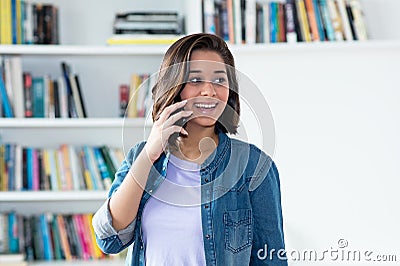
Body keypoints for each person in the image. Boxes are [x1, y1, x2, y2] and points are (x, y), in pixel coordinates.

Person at [92, 33, 287, 265]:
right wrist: (150, 153)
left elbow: (271, 259)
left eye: (219, 80)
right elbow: (109, 238)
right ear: (175, 87)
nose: (209, 91)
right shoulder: (140, 157)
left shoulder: (253, 166)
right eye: (195, 80)